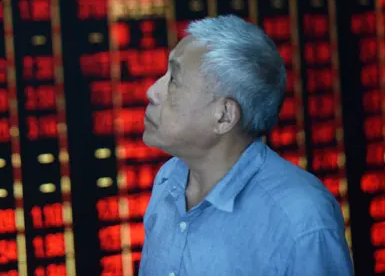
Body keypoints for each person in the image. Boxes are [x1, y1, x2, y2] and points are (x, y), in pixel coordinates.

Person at [139, 15, 354, 275]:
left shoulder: (301, 218)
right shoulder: (169, 179)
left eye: (174, 80)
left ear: (224, 116)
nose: (152, 90)